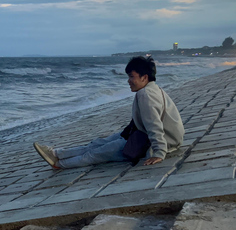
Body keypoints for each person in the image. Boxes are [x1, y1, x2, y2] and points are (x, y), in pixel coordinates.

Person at [34, 56, 184, 169]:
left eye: (132, 77)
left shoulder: (145, 95)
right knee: (99, 142)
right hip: (144, 135)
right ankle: (56, 154)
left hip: (155, 142)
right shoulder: (152, 89)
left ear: (144, 77)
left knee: (96, 153)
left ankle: (60, 164)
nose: (128, 81)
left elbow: (154, 126)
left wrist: (159, 153)